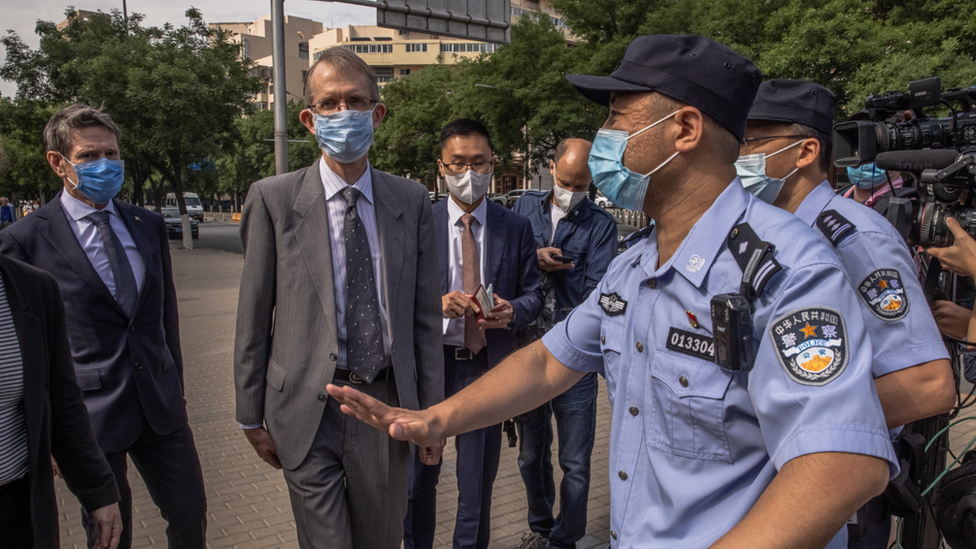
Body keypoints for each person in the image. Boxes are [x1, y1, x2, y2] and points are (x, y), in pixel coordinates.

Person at [328, 34, 900, 548]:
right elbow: (548, 364)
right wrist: (438, 419)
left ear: (684, 129)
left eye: (619, 116)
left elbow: (846, 463)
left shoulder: (785, 268)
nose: (605, 137)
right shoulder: (637, 263)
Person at [234, 47, 444, 549]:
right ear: (308, 118)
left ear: (378, 113)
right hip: (306, 407)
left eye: (356, 101)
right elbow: (253, 313)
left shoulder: (410, 200)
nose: (343, 113)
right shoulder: (272, 199)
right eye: (329, 104)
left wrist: (432, 414)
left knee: (379, 540)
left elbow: (424, 319)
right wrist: (249, 413)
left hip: (385, 404)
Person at [739, 78, 956, 548]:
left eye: (751, 141)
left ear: (805, 151)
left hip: (840, 499)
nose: (738, 156)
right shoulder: (765, 235)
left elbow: (927, 385)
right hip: (784, 482)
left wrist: (777, 426)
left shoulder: (851, 236)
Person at [0, 104, 207, 549]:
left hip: (160, 405)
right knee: (111, 534)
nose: (106, 164)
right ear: (59, 163)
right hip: (91, 415)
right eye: (90, 156)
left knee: (190, 518)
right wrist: (50, 434)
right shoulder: (24, 240)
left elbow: (164, 318)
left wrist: (178, 388)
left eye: (112, 154)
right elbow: (25, 352)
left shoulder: (147, 225)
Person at [404, 118, 543, 549]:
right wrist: (436, 307)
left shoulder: (514, 226)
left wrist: (511, 311)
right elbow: (394, 298)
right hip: (430, 369)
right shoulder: (417, 223)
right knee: (417, 485)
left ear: (492, 163)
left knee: (475, 490)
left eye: (478, 163)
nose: (469, 174)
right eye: (458, 163)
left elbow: (534, 295)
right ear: (441, 167)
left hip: (486, 370)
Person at [510, 138, 617, 549]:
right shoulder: (522, 207)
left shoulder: (601, 224)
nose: (572, 191)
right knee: (530, 455)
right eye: (567, 180)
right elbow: (505, 264)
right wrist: (533, 257)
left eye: (582, 185)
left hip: (575, 362)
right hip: (526, 352)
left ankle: (565, 539)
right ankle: (539, 527)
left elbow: (600, 293)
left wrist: (564, 271)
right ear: (551, 167)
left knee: (574, 461)